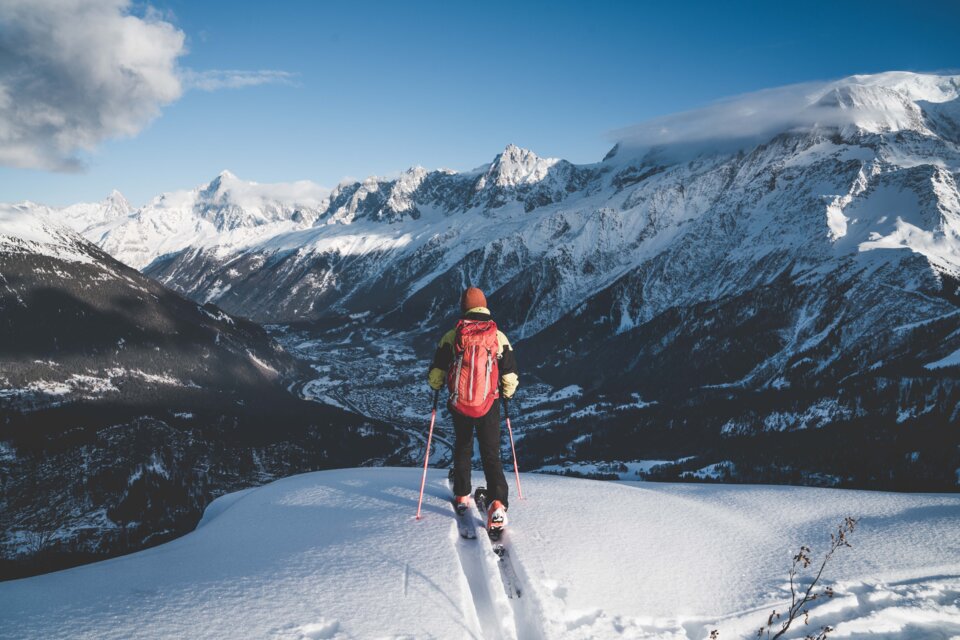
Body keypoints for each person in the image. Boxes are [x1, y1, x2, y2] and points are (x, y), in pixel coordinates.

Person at [427, 286, 518, 536]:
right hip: (489, 404)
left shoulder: (453, 335)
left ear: (463, 307)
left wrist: (436, 385)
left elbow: (437, 373)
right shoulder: (497, 336)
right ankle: (497, 503)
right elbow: (509, 375)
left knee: (463, 446)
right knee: (491, 453)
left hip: (460, 404)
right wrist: (507, 395)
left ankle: (461, 495)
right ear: (485, 306)